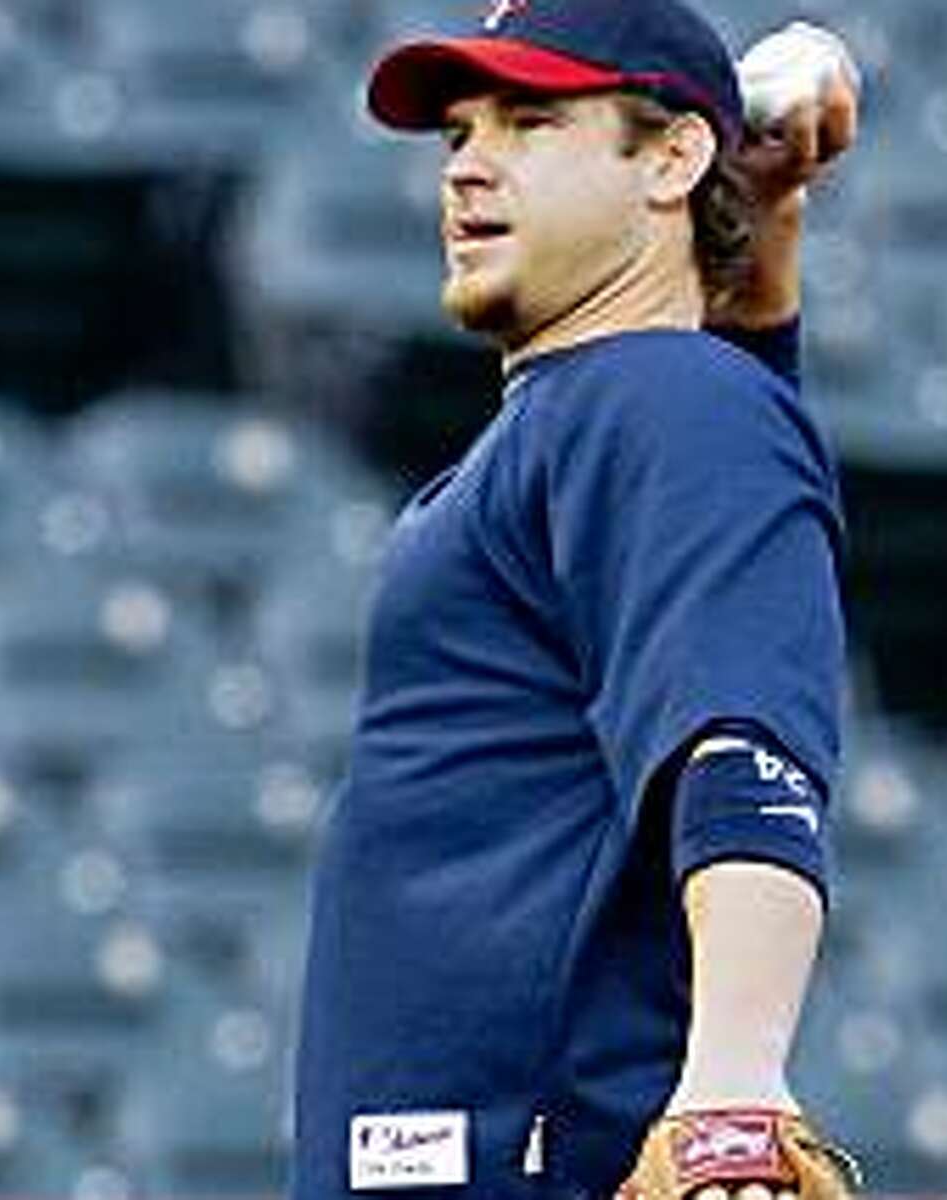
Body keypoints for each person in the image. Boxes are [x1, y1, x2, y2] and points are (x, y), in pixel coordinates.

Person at [289, 1, 861, 1197]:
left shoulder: (656, 394)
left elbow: (743, 747)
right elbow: (726, 489)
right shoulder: (635, 406)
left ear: (670, 157)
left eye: (532, 119)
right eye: (457, 134)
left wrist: (735, 1085)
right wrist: (755, 273)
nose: (470, 167)